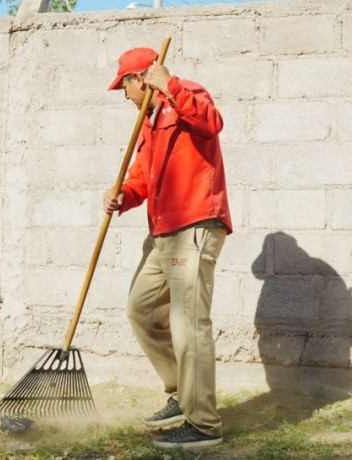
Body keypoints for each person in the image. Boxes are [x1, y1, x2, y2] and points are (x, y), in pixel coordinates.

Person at [103, 47, 232, 449]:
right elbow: (144, 177)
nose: (124, 97)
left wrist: (171, 85)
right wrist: (123, 195)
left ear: (140, 79)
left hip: (194, 226)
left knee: (188, 324)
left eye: (124, 87)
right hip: (162, 231)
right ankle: (182, 394)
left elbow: (212, 123)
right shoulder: (149, 123)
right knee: (140, 309)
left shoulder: (187, 95)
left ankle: (204, 424)